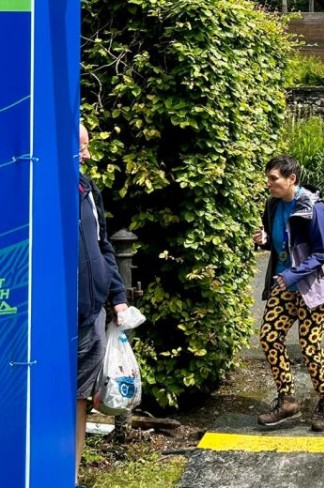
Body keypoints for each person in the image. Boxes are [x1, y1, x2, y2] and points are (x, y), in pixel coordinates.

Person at [253, 155, 324, 431]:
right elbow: (280, 241)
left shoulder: (311, 207)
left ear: (291, 179)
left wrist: (290, 275)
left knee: (310, 346)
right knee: (269, 338)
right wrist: (265, 240)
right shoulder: (272, 204)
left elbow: (320, 254)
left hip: (313, 288)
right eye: (268, 178)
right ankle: (287, 400)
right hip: (285, 286)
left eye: (274, 178)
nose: (268, 183)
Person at [77, 124, 129, 488]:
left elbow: (103, 245)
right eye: (81, 147)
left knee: (81, 396)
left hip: (92, 312)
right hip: (60, 315)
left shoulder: (88, 188)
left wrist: (119, 296)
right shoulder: (44, 190)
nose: (88, 154)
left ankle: (71, 473)